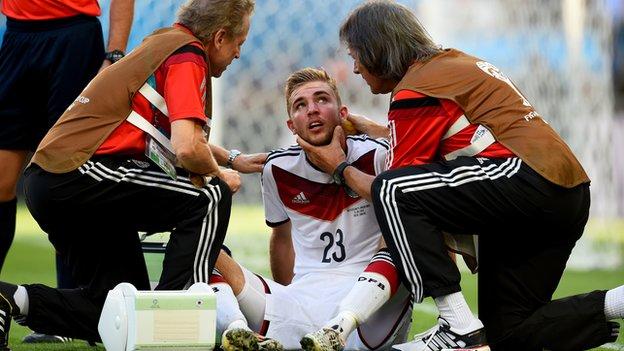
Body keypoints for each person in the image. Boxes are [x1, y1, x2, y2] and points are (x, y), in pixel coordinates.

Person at [298, 1, 624, 351]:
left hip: (528, 179)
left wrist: (339, 167)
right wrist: (382, 130)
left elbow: (390, 190)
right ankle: (618, 302)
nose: (356, 68)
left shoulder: (415, 88)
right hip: (562, 191)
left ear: (376, 48)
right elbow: (457, 133)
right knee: (508, 333)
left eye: (356, 54)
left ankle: (456, 324)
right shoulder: (452, 63)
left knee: (393, 192)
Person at [0, 0, 265, 348]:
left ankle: (10, 299)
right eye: (238, 44)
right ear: (218, 37)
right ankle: (174, 327)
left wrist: (232, 159)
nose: (237, 55)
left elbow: (170, 136)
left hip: (54, 180)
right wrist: (221, 174)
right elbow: (187, 147)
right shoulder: (188, 55)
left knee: (120, 311)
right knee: (210, 196)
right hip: (81, 173)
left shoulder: (161, 43)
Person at [209, 67, 412, 351]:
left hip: (371, 305)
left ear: (343, 113)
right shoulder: (278, 170)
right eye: (300, 106)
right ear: (292, 126)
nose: (312, 110)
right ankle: (238, 329)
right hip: (305, 301)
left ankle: (344, 324)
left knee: (405, 221)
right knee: (204, 251)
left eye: (322, 100)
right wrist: (286, 299)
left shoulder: (377, 155)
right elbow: (281, 239)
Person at [0, 0, 135, 343]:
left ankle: (67, 316)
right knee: (1, 181)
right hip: (17, 37)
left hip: (74, 38)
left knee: (67, 173)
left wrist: (115, 54)